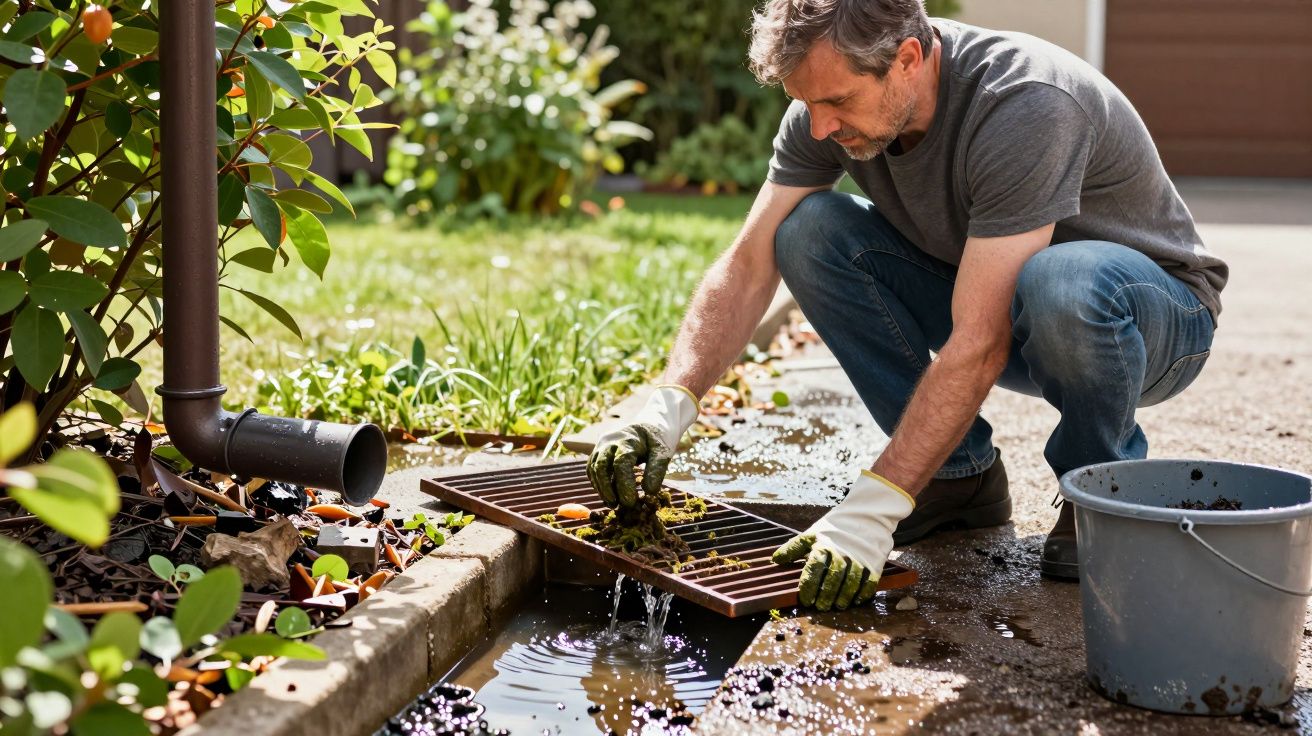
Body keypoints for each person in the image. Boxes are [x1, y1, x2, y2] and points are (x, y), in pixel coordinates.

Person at [587, 0, 1226, 611]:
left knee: (1062, 279)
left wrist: (872, 508)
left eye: (837, 101)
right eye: (804, 102)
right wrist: (669, 403)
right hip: (1007, 303)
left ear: (909, 59)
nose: (820, 126)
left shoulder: (1026, 103)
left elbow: (979, 340)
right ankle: (955, 479)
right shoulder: (828, 108)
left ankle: (1099, 494)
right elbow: (749, 262)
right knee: (806, 232)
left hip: (1149, 320)